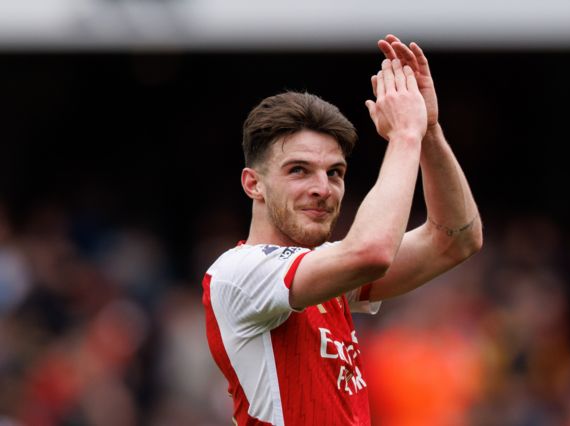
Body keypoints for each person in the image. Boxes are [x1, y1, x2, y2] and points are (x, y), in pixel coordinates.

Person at [201, 35, 482, 425]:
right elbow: (371, 252)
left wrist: (429, 130)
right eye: (298, 170)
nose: (322, 188)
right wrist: (404, 136)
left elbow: (455, 239)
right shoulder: (239, 274)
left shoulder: (325, 276)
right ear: (254, 184)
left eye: (335, 173)